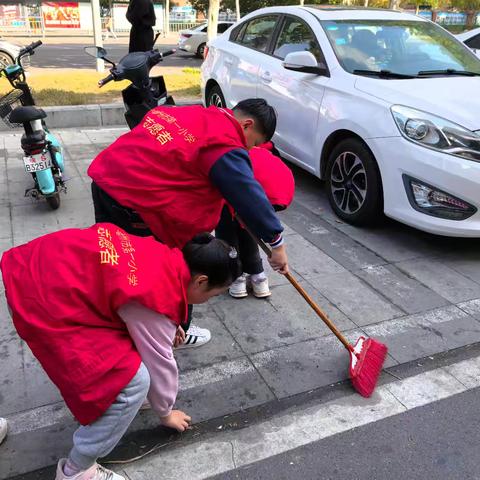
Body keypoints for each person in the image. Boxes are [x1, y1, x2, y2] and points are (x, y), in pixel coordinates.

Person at [1, 226, 241, 480]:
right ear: (201, 281)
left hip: (37, 264)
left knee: (132, 360)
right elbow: (160, 364)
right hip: (44, 297)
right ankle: (77, 470)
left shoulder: (164, 256)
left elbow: (134, 311)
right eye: (214, 295)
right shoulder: (156, 297)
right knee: (131, 383)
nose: (211, 300)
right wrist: (166, 411)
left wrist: (167, 326)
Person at [88, 99, 289, 348]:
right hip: (133, 204)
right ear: (247, 125)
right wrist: (277, 245)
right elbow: (250, 195)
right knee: (155, 268)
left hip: (107, 180)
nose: (250, 149)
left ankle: (118, 322)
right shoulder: (224, 142)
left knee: (115, 260)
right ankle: (169, 331)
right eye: (255, 143)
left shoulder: (196, 114)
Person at [216, 141, 295, 299]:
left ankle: (244, 276)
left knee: (237, 234)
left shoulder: (251, 156)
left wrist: (277, 247)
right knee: (236, 233)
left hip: (237, 189)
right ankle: (250, 276)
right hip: (229, 191)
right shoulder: (240, 160)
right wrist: (278, 247)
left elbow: (261, 216)